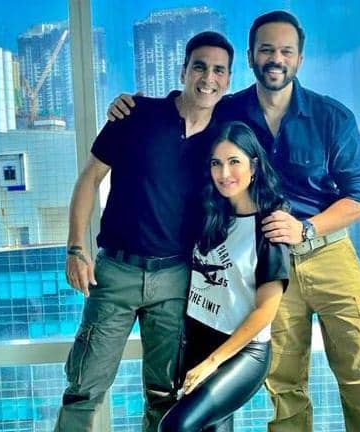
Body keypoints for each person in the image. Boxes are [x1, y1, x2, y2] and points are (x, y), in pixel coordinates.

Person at [108, 11, 360, 431]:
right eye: (266, 50)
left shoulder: (331, 117)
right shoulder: (228, 112)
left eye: (286, 51)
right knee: (285, 388)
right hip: (262, 266)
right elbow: (186, 114)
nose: (276, 58)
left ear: (299, 58)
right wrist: (130, 108)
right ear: (251, 56)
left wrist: (306, 228)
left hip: (326, 254)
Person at [55, 31, 233, 432]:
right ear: (183, 71)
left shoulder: (224, 138)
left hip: (176, 279)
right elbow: (90, 178)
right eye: (200, 67)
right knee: (84, 387)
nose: (208, 78)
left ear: (227, 79)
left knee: (165, 394)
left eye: (218, 70)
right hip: (115, 274)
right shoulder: (135, 114)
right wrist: (76, 248)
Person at [159, 121, 289, 432]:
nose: (224, 173)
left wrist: (212, 362)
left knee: (176, 426)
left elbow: (266, 311)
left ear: (253, 167)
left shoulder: (270, 227)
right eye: (216, 163)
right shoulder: (211, 214)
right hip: (198, 339)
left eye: (234, 162)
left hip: (242, 351)